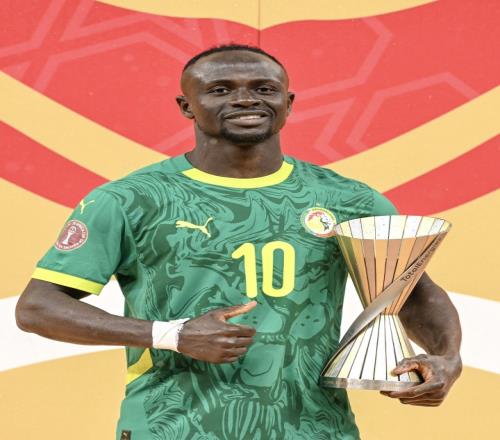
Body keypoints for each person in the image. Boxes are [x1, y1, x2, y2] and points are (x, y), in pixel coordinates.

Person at [16, 44, 462, 440]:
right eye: (221, 89)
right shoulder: (129, 200)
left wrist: (446, 357)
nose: (246, 99)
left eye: (265, 89)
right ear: (187, 106)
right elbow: (38, 307)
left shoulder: (349, 200)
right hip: (172, 428)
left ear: (288, 103)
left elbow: (412, 294)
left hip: (316, 429)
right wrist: (172, 335)